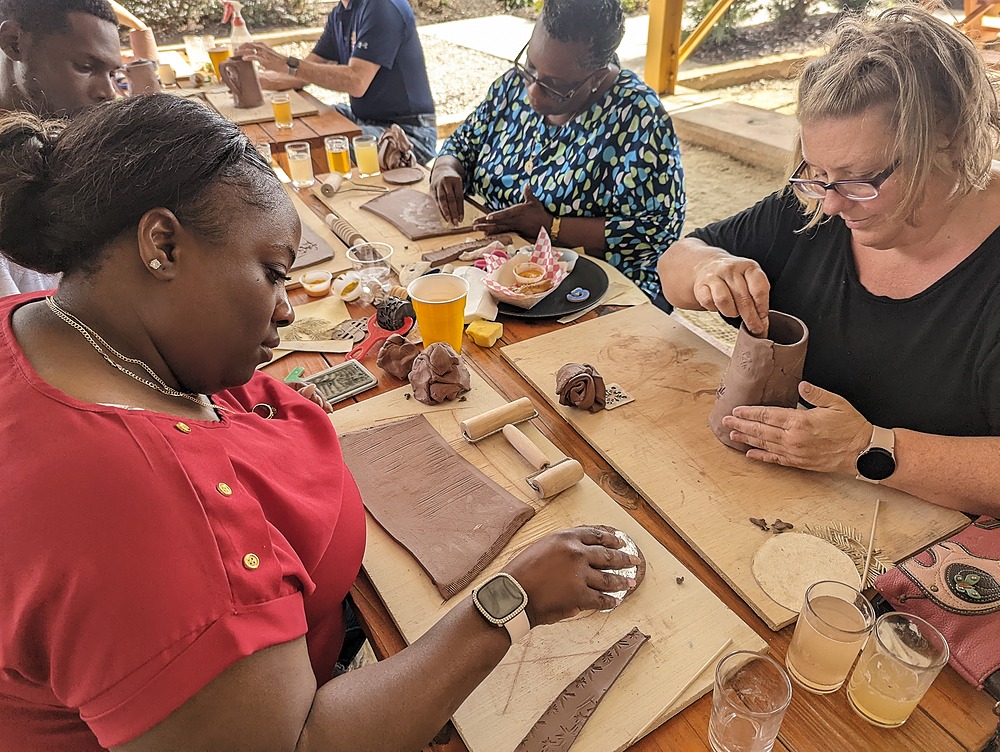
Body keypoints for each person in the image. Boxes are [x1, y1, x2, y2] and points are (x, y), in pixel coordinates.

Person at [0, 94, 638, 751]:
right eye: (273, 273)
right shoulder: (133, 510)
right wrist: (511, 600)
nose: (285, 309)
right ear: (162, 246)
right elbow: (298, 741)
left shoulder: (56, 325)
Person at [658, 6, 1000, 516]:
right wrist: (709, 268)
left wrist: (868, 449)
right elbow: (676, 264)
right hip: (794, 506)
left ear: (947, 138)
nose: (833, 206)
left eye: (860, 180)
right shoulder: (814, 205)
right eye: (817, 173)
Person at [430, 0, 684, 303]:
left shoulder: (639, 117)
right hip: (504, 272)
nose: (532, 90)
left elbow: (655, 230)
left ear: (597, 77)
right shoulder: (512, 86)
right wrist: (445, 167)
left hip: (595, 288)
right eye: (530, 67)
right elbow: (463, 143)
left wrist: (553, 227)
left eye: (554, 85)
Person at [0, 0, 120, 297]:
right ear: (14, 43)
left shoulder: (74, 142)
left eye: (113, 75)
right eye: (86, 68)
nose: (109, 93)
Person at [238, 0, 437, 165]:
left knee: (321, 147)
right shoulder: (341, 13)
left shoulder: (382, 7)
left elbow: (356, 81)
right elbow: (301, 75)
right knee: (301, 128)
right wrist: (248, 80)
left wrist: (287, 63)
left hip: (408, 132)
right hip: (364, 119)